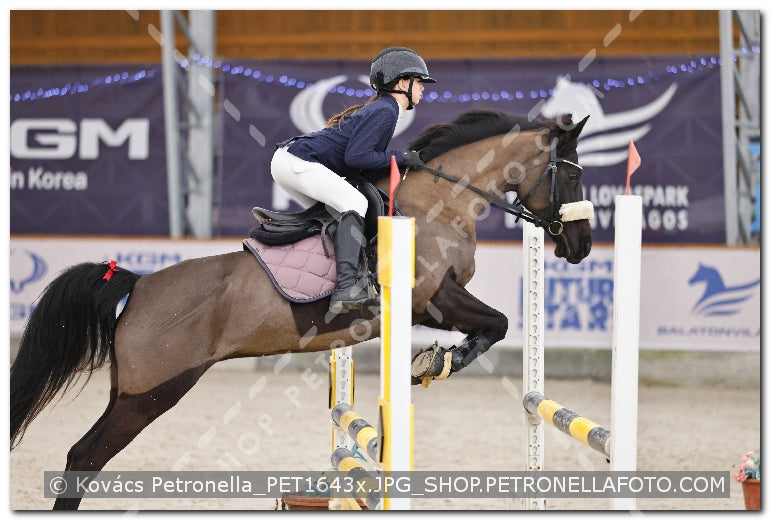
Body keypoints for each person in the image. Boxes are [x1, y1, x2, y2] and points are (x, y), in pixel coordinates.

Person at [270, 47, 436, 314]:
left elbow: (357, 160)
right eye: (419, 82)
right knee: (354, 202)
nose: (423, 89)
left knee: (337, 213)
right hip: (297, 162)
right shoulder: (387, 110)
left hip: (289, 161)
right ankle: (346, 288)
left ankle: (329, 280)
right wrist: (401, 157)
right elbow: (358, 157)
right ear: (402, 83)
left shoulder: (385, 108)